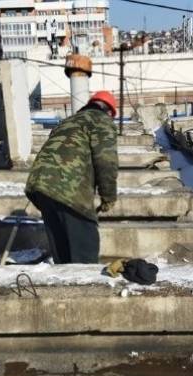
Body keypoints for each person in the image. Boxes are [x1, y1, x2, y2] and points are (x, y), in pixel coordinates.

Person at [25, 91, 119, 264]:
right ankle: (85, 281)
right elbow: (106, 160)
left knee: (63, 254)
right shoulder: (101, 120)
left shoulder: (67, 122)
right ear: (108, 112)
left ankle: (65, 280)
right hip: (67, 188)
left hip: (40, 185)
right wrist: (108, 197)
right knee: (85, 252)